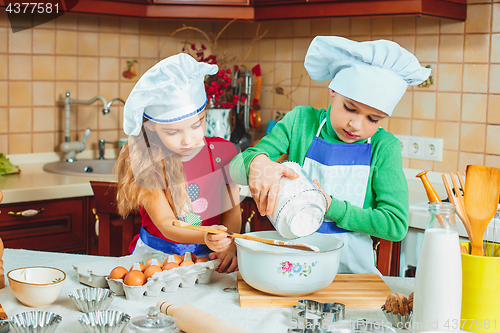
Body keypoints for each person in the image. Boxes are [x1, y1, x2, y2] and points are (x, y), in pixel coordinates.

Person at [230, 36, 431, 274]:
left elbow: (395, 225)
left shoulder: (383, 147)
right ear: (333, 90)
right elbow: (235, 170)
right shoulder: (300, 122)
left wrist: (331, 206)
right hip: (293, 267)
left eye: (373, 118)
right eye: (350, 108)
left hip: (353, 275)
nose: (356, 124)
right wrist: (259, 163)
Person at [115, 53, 242, 273]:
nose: (188, 140)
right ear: (153, 126)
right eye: (173, 132)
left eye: (196, 126)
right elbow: (166, 223)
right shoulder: (148, 161)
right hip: (157, 260)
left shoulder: (224, 153)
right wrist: (205, 235)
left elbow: (231, 212)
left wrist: (227, 246)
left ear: (204, 114)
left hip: (208, 258)